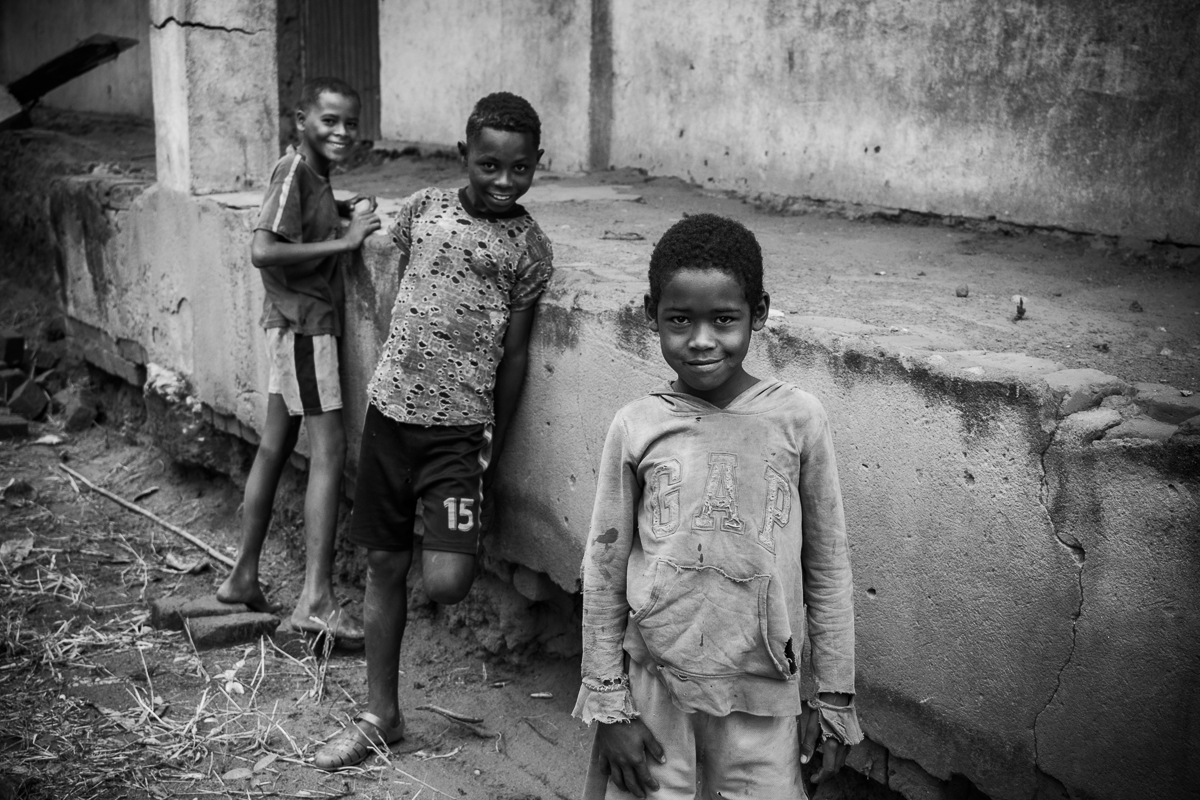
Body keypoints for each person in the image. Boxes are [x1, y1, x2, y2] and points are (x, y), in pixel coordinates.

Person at [573, 214, 863, 799]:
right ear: (651, 313)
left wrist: (833, 697)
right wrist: (608, 702)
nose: (702, 340)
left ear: (759, 312)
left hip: (764, 690)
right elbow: (604, 569)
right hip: (653, 688)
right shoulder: (637, 425)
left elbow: (828, 568)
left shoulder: (798, 419)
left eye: (724, 319)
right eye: (680, 319)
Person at [313, 91, 554, 770]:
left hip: (459, 434)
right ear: (463, 155)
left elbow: (515, 356)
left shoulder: (529, 247)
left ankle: (444, 520)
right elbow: (400, 283)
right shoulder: (424, 209)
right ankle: (381, 716)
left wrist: (493, 453)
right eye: (488, 165)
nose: (503, 181)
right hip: (389, 417)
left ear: (537, 163)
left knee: (447, 581)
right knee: (384, 565)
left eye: (519, 169)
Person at [217, 77, 380, 642]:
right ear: (300, 120)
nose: (342, 132)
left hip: (289, 326)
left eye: (351, 123)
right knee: (329, 453)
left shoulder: (312, 173)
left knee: (274, 444)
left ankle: (242, 577)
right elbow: (264, 249)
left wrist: (340, 209)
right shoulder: (292, 169)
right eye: (329, 120)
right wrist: (347, 240)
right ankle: (315, 599)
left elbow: (301, 213)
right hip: (306, 328)